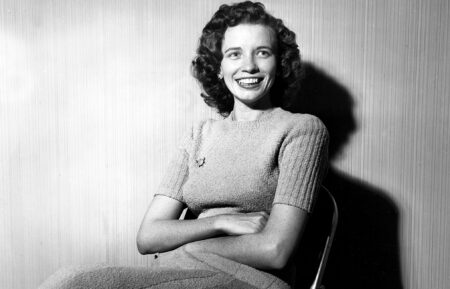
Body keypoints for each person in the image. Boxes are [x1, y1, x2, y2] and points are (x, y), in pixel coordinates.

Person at [39, 2, 328, 289]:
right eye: (234, 54)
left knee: (71, 283)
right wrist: (219, 223)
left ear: (279, 63)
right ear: (218, 67)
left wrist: (191, 247)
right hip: (184, 272)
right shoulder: (199, 134)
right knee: (70, 280)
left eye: (262, 53)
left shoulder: (302, 130)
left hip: (249, 280)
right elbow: (148, 236)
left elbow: (275, 251)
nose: (249, 65)